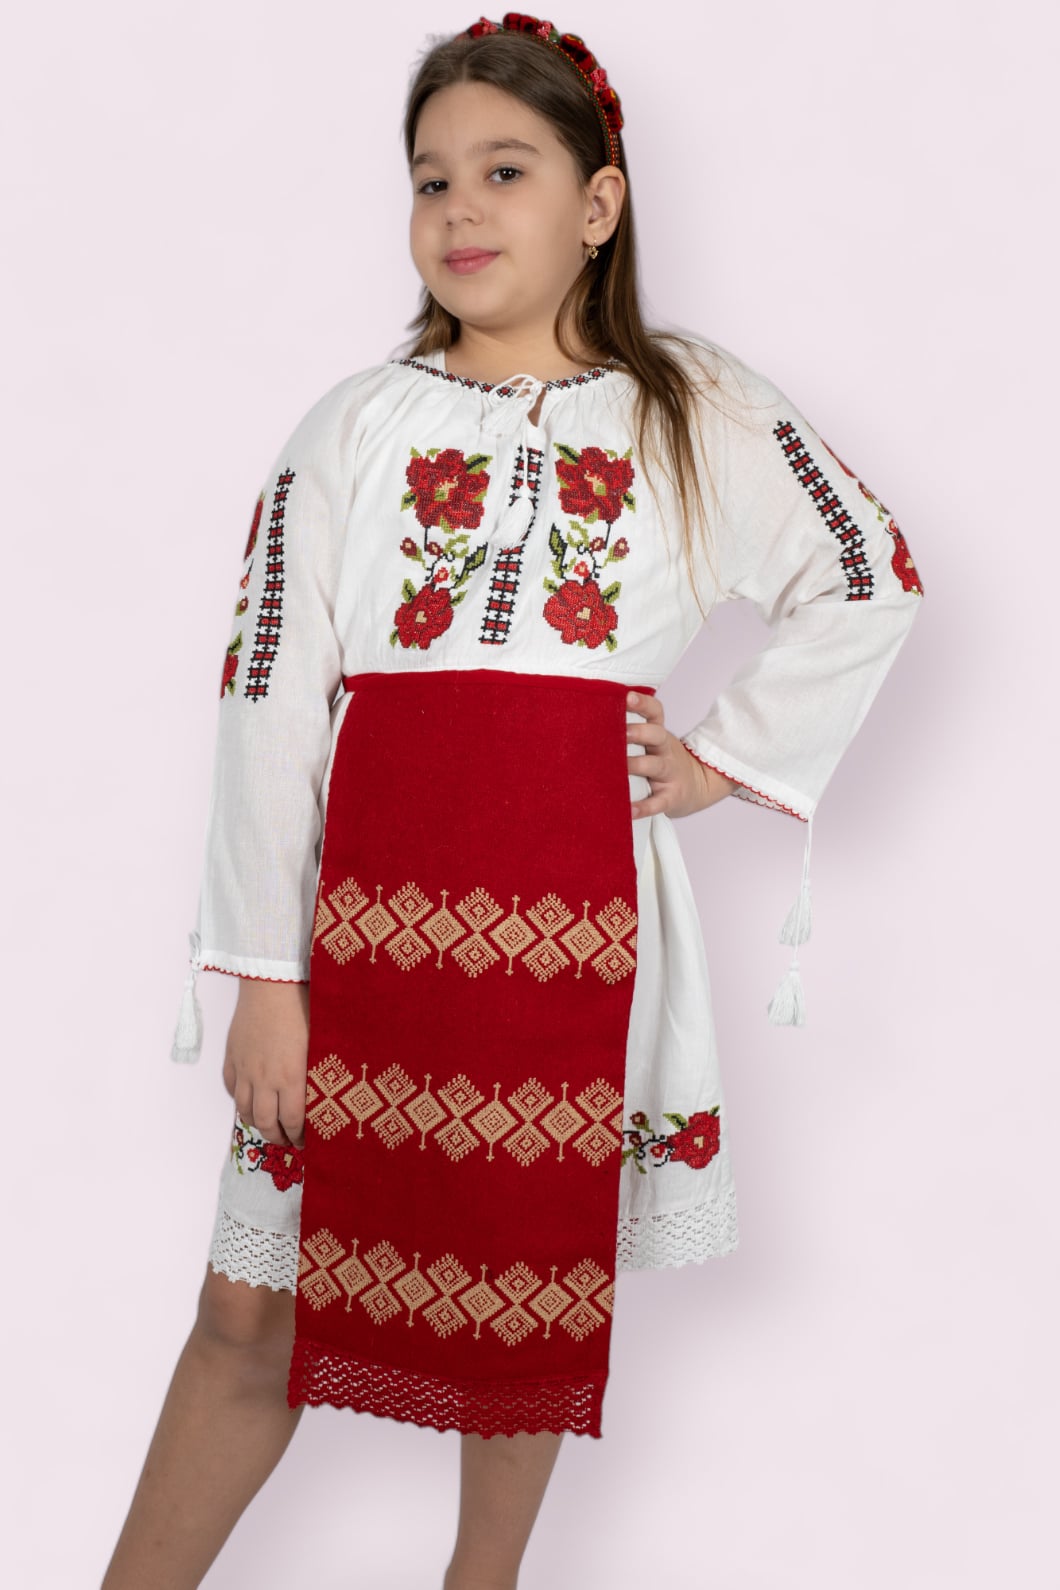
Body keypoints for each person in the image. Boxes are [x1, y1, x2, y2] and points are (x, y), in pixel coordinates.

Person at [103, 12, 924, 1588]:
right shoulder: (355, 424)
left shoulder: (688, 408)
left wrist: (724, 760)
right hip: (360, 933)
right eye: (431, 179)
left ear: (597, 203)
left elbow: (868, 569)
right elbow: (266, 690)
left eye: (504, 171)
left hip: (570, 931)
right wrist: (265, 974)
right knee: (247, 1309)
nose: (460, 209)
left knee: (525, 1303)